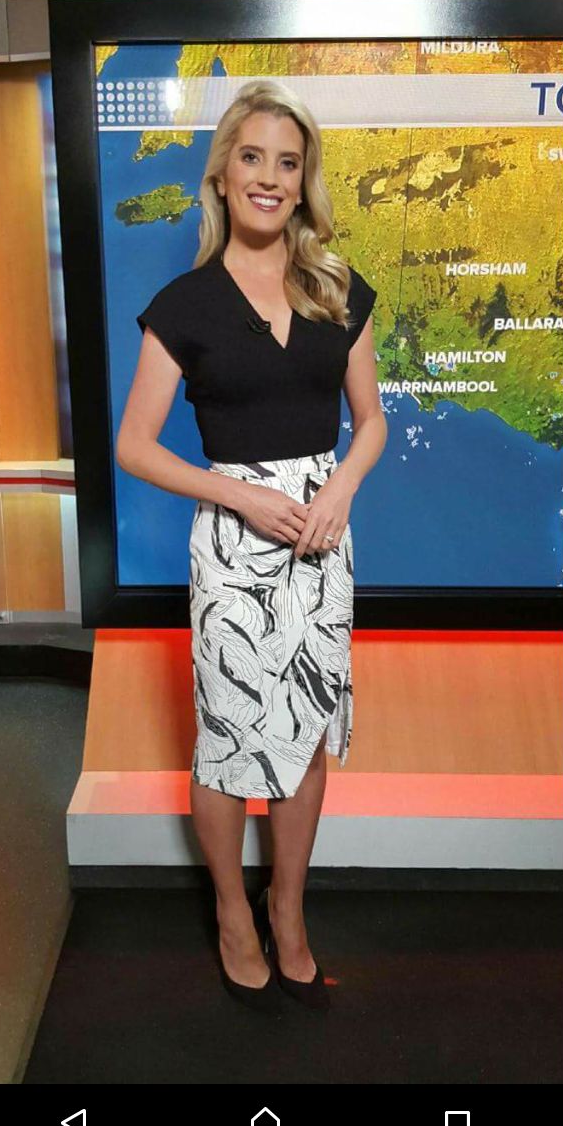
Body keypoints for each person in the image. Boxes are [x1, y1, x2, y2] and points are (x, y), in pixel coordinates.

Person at [116, 79, 385, 1012]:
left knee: (305, 738)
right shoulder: (184, 304)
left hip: (322, 538)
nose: (270, 177)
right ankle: (234, 913)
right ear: (224, 177)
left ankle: (288, 911)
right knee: (229, 741)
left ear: (303, 180)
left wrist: (338, 489)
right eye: (253, 158)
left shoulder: (336, 288)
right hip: (233, 547)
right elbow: (134, 445)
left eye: (288, 162)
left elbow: (371, 423)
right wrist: (238, 495)